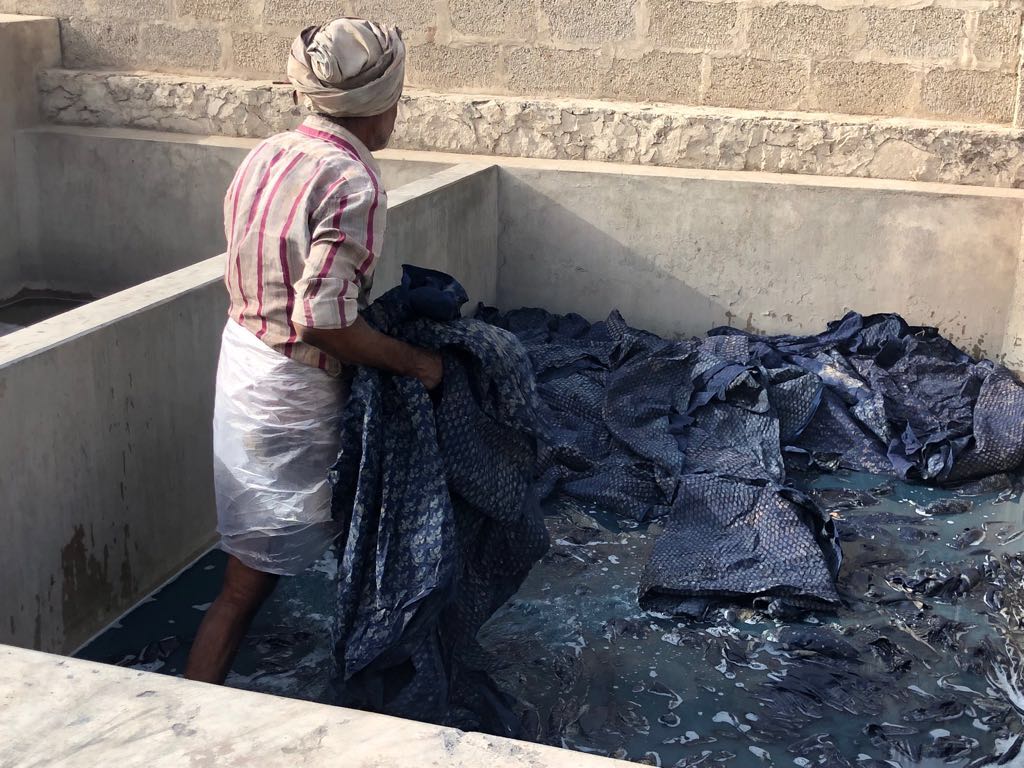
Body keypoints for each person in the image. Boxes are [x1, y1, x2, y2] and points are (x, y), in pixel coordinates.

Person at [184, 17, 442, 684]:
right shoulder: (353, 182)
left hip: (243, 361)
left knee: (259, 565)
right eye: (397, 95)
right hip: (289, 393)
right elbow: (323, 319)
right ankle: (192, 707)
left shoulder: (268, 154)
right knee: (249, 586)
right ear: (376, 103)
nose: (397, 111)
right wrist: (418, 364)